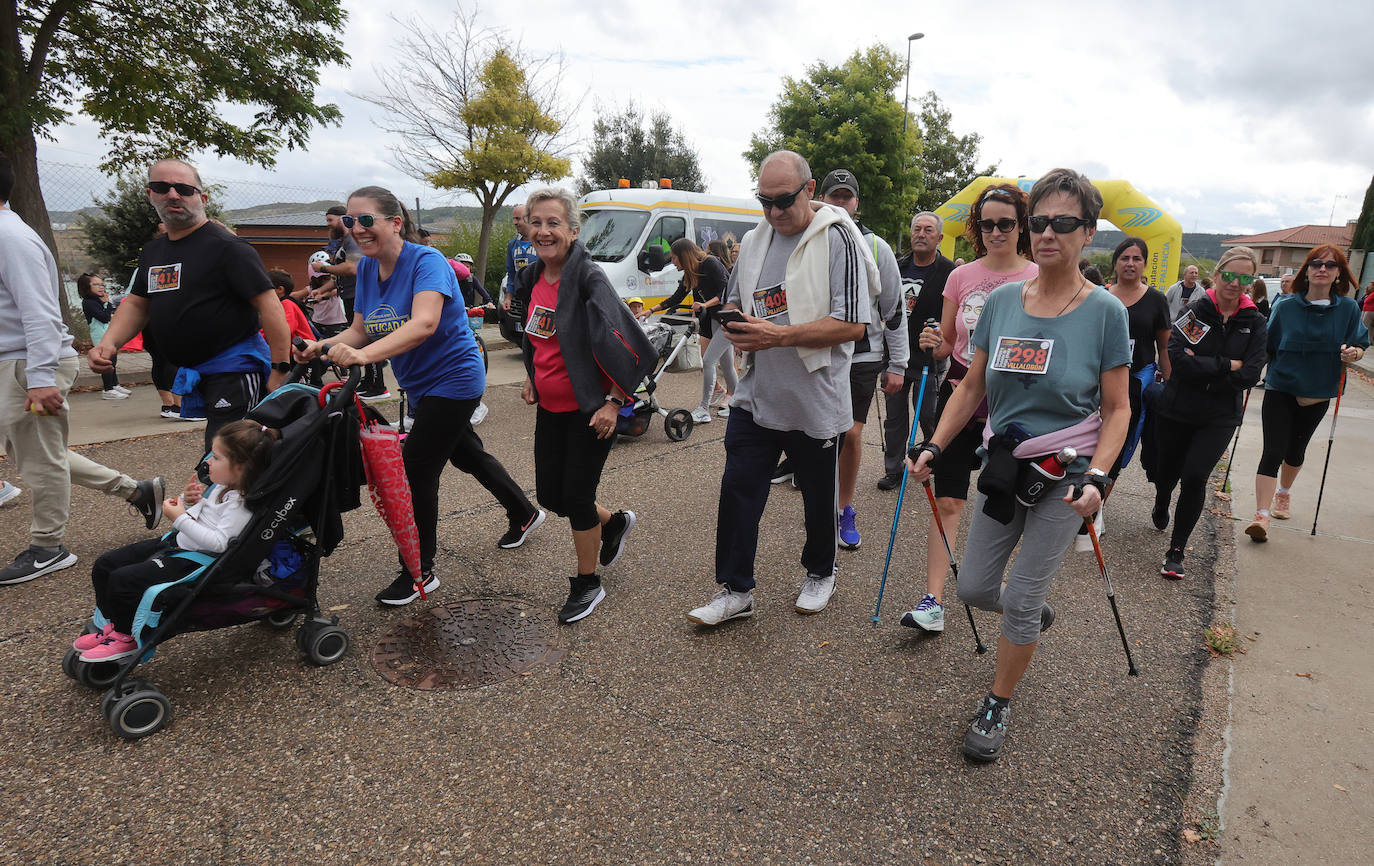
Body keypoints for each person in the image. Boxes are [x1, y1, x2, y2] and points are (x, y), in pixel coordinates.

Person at [907, 168, 1130, 762]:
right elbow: (972, 384)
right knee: (976, 587)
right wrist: (934, 444)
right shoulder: (1004, 302)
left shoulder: (1106, 312)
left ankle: (998, 701)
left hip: (1067, 470)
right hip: (1005, 461)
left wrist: (1100, 476)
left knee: (1023, 595)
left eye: (1065, 222)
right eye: (1041, 221)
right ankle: (1029, 614)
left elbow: (1118, 409)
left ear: (1088, 232)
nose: (1048, 232)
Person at [298, 185, 544, 606]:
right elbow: (360, 329)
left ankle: (418, 571)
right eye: (351, 221)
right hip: (418, 384)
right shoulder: (367, 270)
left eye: (367, 219)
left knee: (415, 470)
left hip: (454, 378)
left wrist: (363, 355)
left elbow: (424, 323)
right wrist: (321, 346)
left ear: (396, 222)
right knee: (466, 454)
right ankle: (524, 512)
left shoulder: (426, 261)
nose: (357, 228)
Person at [684, 150, 873, 626]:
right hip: (756, 394)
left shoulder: (839, 239)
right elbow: (734, 301)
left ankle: (821, 571)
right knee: (738, 491)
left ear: (808, 190)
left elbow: (853, 325)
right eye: (764, 201)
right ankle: (735, 590)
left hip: (815, 399)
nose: (773, 212)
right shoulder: (754, 241)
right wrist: (735, 325)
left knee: (817, 498)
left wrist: (779, 335)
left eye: (783, 201)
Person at [0, 152, 164, 586]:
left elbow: (39, 313)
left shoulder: (9, 237)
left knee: (41, 460)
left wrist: (39, 379)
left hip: (29, 365)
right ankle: (137, 491)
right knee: (36, 454)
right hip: (16, 364)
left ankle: (47, 547)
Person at [899, 183, 1038, 633]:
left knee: (1009, 507)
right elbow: (948, 344)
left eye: (1006, 223)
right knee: (948, 499)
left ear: (1022, 226)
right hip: (961, 391)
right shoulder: (961, 277)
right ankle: (933, 602)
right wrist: (933, 341)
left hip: (1013, 406)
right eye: (987, 224)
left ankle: (1009, 594)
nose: (996, 232)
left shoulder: (1037, 276)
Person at [515, 187, 656, 624]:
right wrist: (532, 375)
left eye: (553, 223)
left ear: (573, 231)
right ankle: (612, 523)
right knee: (551, 495)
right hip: (550, 407)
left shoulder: (589, 278)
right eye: (536, 223)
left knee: (577, 497)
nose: (543, 231)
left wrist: (613, 402)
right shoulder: (531, 277)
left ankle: (587, 583)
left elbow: (629, 342)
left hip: (591, 410)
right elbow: (536, 337)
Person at [89, 159, 291, 455]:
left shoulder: (228, 248)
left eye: (183, 189)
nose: (173, 195)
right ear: (150, 195)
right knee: (226, 459)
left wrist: (280, 368)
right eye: (162, 187)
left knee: (229, 458)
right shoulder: (154, 252)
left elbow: (270, 307)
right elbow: (137, 304)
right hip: (196, 371)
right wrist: (108, 344)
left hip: (235, 370)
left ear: (202, 198)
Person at [73, 420, 277, 661]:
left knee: (124, 580)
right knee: (105, 564)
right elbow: (206, 517)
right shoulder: (223, 488)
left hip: (195, 560)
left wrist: (179, 518)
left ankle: (125, 637)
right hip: (177, 543)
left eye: (216, 457)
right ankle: (110, 624)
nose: (208, 462)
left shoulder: (240, 504)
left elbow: (220, 543)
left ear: (241, 467)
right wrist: (191, 503)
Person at [1151, 247, 1266, 578]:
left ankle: (1176, 551)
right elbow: (1178, 359)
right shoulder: (1195, 311)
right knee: (1166, 472)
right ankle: (1162, 499)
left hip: (1220, 415)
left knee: (1195, 476)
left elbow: (1251, 373)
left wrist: (1206, 368)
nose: (1235, 283)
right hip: (1178, 408)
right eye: (1229, 275)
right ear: (1216, 275)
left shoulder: (1255, 321)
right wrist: (1228, 365)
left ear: (1250, 281)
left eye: (1244, 277)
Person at [811, 169, 908, 549]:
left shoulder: (877, 247)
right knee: (817, 436)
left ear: (856, 203)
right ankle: (821, 505)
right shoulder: (807, 240)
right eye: (833, 195)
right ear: (820, 199)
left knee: (851, 433)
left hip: (863, 355)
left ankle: (844, 508)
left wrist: (898, 364)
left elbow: (894, 309)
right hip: (817, 350)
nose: (840, 202)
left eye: (846, 196)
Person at [1246, 245, 1369, 541]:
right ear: (1307, 270)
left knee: (1295, 452)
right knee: (1273, 451)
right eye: (1316, 264)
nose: (1322, 269)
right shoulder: (1286, 307)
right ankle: (1261, 516)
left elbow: (1360, 344)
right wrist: (1248, 372)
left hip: (1318, 391)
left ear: (1339, 273)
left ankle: (1284, 492)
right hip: (1281, 387)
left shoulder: (1349, 309)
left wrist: (1353, 353)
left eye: (1330, 264)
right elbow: (1267, 345)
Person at [1089, 236, 1171, 543]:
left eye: (1137, 258)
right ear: (1115, 263)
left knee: (1118, 443)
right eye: (1125, 258)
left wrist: (1170, 383)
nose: (1130, 264)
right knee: (1089, 439)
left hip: (1135, 380)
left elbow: (1164, 347)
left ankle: (1097, 507)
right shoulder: (1099, 296)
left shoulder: (1156, 300)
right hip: (1095, 378)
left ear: (1144, 264)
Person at [878, 211, 956, 490]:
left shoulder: (949, 272)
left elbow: (954, 316)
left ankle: (933, 461)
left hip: (928, 359)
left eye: (928, 230)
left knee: (929, 415)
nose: (921, 234)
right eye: (917, 229)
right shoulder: (897, 266)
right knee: (895, 419)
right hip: (896, 356)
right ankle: (893, 470)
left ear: (940, 237)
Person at [646, 238, 736, 424]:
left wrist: (704, 304)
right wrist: (651, 310)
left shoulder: (710, 263)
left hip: (728, 318)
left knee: (708, 361)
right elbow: (677, 297)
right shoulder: (690, 272)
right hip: (715, 320)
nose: (672, 262)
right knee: (726, 364)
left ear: (684, 255)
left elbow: (725, 291)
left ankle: (704, 409)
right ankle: (739, 404)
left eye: (674, 258)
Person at [317, 205, 385, 399]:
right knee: (360, 338)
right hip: (349, 295)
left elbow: (352, 268)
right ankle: (369, 380)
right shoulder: (344, 242)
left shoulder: (352, 241)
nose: (328, 224)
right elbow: (341, 275)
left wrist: (323, 267)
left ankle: (377, 385)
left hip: (358, 294)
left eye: (331, 220)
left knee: (367, 337)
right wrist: (321, 290)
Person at [77, 273, 128, 400]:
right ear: (86, 286)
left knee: (113, 360)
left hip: (108, 334)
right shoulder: (88, 302)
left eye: (102, 285)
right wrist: (107, 303)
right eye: (96, 284)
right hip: (100, 336)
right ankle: (108, 389)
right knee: (106, 361)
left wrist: (105, 303)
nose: (101, 287)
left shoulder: (98, 300)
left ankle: (114, 384)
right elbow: (104, 317)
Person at [502, 203, 536, 313]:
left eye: (518, 219)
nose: (515, 222)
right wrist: (508, 298)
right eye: (514, 219)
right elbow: (511, 274)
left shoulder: (542, 242)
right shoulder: (512, 245)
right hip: (522, 301)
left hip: (541, 299)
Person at [267, 269, 315, 344]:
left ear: (280, 289)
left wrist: (260, 336)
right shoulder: (283, 303)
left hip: (305, 348)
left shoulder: (287, 304)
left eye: (267, 288)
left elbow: (284, 331)